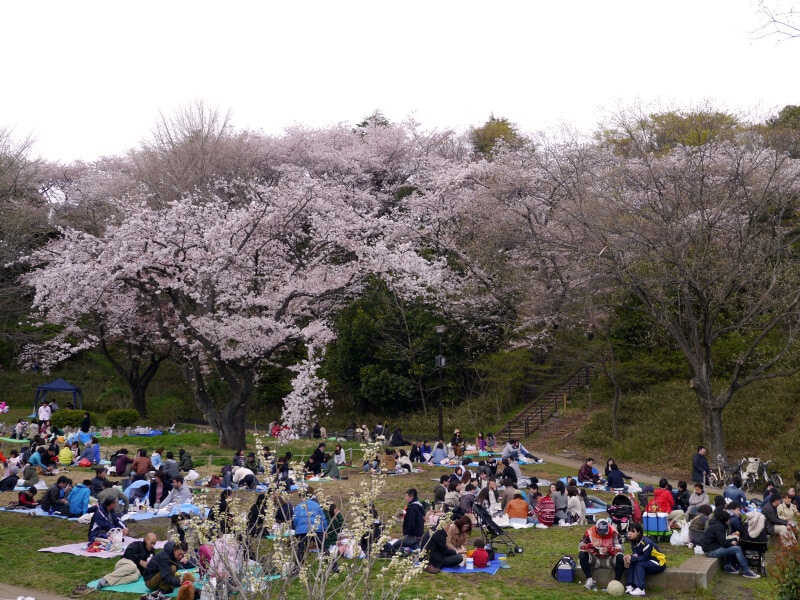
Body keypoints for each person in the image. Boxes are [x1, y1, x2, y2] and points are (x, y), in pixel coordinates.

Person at [699, 509, 760, 578]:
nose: (730, 521)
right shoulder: (719, 527)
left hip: (711, 548)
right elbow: (724, 543)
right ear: (726, 520)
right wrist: (732, 543)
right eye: (729, 519)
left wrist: (732, 540)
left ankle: (728, 566)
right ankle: (745, 570)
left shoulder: (716, 525)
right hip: (711, 551)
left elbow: (722, 541)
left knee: (732, 546)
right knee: (737, 548)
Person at [578, 518, 625, 591]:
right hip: (595, 559)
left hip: (609, 559)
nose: (603, 533)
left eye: (605, 531)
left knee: (620, 556)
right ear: (596, 528)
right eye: (601, 531)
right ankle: (589, 579)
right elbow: (580, 546)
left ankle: (616, 582)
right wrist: (591, 545)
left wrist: (609, 550)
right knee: (582, 554)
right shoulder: (589, 532)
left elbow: (621, 548)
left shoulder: (614, 532)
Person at [623, 522, 666, 596]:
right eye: (629, 531)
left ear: (639, 532)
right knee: (633, 562)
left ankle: (640, 589)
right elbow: (636, 555)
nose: (630, 533)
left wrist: (632, 558)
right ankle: (630, 585)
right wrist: (629, 558)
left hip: (658, 562)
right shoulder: (633, 541)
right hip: (647, 560)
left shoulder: (647, 543)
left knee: (639, 564)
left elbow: (644, 558)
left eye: (633, 531)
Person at [292, 486, 327, 564]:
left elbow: (295, 519)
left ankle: (298, 566)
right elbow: (323, 519)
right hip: (317, 529)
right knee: (323, 548)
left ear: (301, 496)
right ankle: (334, 567)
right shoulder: (317, 505)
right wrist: (325, 529)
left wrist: (296, 529)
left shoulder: (298, 506)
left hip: (302, 531)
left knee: (301, 550)